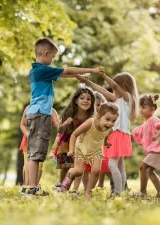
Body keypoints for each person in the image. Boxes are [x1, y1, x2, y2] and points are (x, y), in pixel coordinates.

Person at [24, 37, 104, 196]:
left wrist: (77, 77)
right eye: (52, 57)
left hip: (35, 114)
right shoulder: (42, 69)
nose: (53, 60)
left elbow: (64, 74)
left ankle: (30, 187)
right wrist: (91, 70)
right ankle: (31, 188)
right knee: (37, 154)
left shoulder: (36, 71)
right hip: (40, 115)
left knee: (34, 153)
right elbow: (66, 70)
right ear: (46, 54)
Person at [85, 72, 138, 195]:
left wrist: (104, 76)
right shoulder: (118, 100)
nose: (114, 91)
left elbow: (114, 86)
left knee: (112, 164)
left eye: (117, 88)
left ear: (123, 86)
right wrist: (88, 83)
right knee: (120, 166)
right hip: (115, 135)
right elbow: (102, 91)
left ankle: (117, 192)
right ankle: (122, 191)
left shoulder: (128, 98)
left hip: (119, 134)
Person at [58, 103, 119, 199]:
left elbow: (105, 135)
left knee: (96, 170)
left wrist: (106, 142)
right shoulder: (90, 123)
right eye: (107, 119)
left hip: (96, 151)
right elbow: (74, 134)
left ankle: (88, 193)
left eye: (113, 121)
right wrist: (71, 149)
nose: (110, 123)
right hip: (81, 148)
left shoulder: (110, 129)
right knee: (78, 171)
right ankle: (70, 174)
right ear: (99, 116)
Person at [51, 87, 95, 197]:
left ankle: (74, 190)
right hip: (66, 141)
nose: (85, 101)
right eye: (82, 98)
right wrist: (66, 123)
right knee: (65, 165)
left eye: (88, 99)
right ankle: (61, 185)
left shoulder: (91, 115)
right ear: (76, 100)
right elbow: (59, 129)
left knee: (79, 166)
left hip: (81, 143)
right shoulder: (70, 112)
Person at [132, 94, 160, 198]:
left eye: (144, 107)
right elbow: (137, 132)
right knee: (149, 171)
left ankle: (143, 192)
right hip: (159, 152)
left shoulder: (153, 119)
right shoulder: (146, 123)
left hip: (159, 151)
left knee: (142, 167)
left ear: (152, 109)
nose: (141, 110)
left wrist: (158, 134)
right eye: (140, 107)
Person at [19, 106, 59, 194]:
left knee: (39, 165)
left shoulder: (51, 111)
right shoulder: (29, 108)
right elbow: (22, 124)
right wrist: (28, 134)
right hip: (28, 141)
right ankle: (26, 186)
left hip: (42, 142)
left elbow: (59, 125)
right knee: (28, 162)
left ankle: (35, 186)